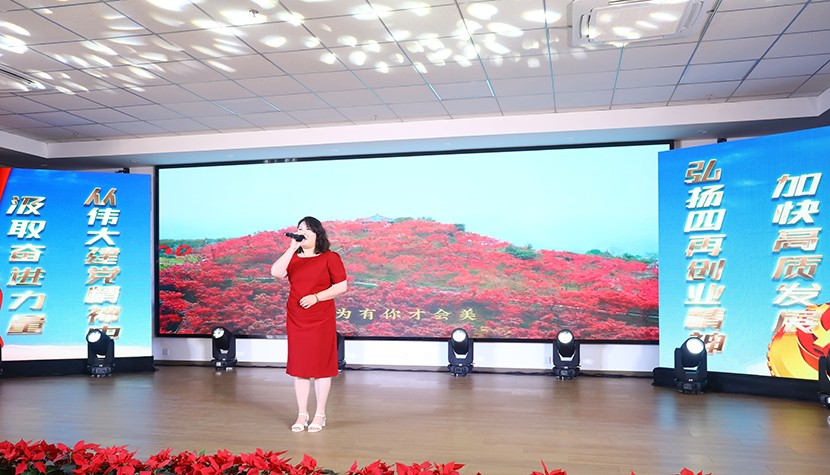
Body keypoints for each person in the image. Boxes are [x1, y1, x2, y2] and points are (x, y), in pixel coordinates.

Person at [271, 216, 347, 433]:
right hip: (297, 318)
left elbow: (341, 286)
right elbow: (276, 273)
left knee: (321, 367)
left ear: (317, 234)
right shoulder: (293, 257)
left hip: (320, 317)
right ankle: (302, 413)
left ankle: (320, 414)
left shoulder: (330, 257)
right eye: (299, 229)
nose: (301, 232)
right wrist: (291, 248)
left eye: (307, 229)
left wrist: (316, 297)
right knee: (300, 367)